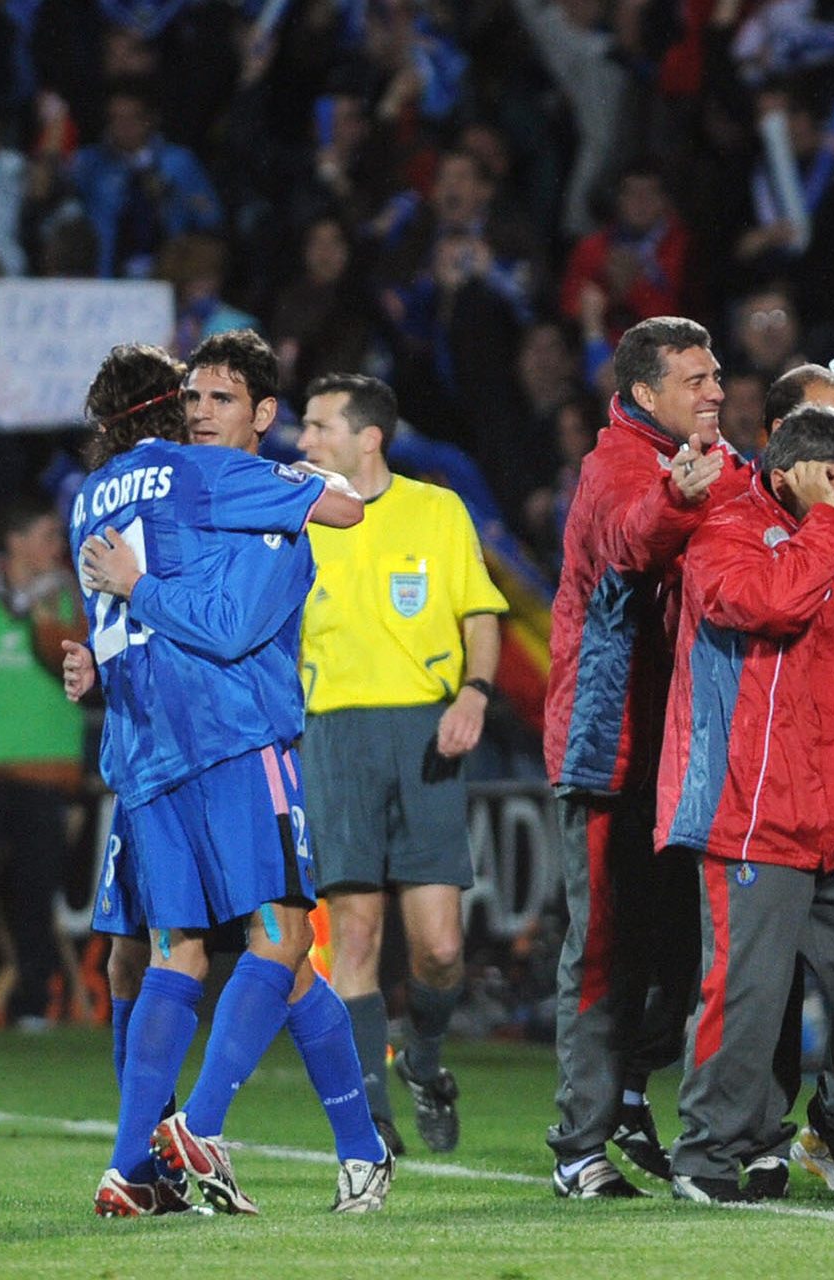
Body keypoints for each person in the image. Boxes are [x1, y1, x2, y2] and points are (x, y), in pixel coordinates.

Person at [70, 342, 387, 1217]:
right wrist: (138, 603)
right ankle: (194, 1133)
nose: (203, 409)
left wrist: (110, 637)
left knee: (209, 954)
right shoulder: (202, 486)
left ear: (262, 414)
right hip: (228, 739)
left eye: (221, 396)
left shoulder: (117, 496)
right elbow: (224, 624)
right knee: (276, 940)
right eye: (191, 395)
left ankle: (142, 1167)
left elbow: (184, 610)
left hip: (147, 747)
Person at [659, 405, 834, 1204]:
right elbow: (767, 606)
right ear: (793, 478)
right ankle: (707, 1158)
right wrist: (830, 525)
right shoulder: (725, 529)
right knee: (745, 999)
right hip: (753, 816)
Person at [540, 316, 744, 1198]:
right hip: (610, 747)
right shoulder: (616, 468)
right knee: (602, 949)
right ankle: (578, 1148)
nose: (714, 390)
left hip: (681, 748)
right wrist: (684, 497)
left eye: (715, 374)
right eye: (695, 379)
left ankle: (624, 1094)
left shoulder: (710, 460)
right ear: (646, 393)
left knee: (677, 951)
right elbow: (630, 535)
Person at [295, 370, 510, 1157]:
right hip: (336, 732)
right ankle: (372, 1122)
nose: (304, 438)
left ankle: (424, 1060)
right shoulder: (296, 519)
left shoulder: (436, 508)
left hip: (426, 734)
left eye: (319, 426)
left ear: (369, 437)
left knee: (441, 947)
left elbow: (479, 612)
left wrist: (475, 694)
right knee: (353, 935)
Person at [0, 494, 83, 1031]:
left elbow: (75, 659)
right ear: (16, 540)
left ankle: (31, 1006)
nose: (58, 546)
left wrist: (48, 621)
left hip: (47, 772)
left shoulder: (68, 597)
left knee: (33, 893)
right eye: (49, 535)